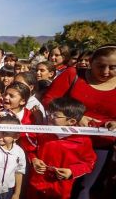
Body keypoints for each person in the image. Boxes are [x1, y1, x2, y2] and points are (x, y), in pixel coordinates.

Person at [42, 45, 116, 199]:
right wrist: (76, 116)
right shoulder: (72, 74)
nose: (106, 72)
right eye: (100, 66)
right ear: (90, 62)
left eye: (113, 67)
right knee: (58, 188)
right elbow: (49, 99)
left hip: (102, 146)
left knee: (87, 190)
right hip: (66, 143)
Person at [27, 97, 96, 199]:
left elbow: (89, 163)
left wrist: (72, 171)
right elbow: (31, 150)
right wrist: (34, 159)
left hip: (61, 190)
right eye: (49, 113)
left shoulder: (83, 141)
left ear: (71, 121)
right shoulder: (42, 133)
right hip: (36, 185)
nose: (50, 117)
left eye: (55, 115)